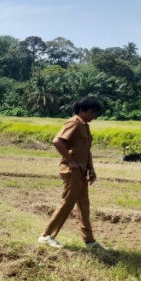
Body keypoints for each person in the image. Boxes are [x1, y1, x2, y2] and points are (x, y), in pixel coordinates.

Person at [39, 97, 106, 250]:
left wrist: (91, 168)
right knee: (67, 203)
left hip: (82, 171)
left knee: (84, 205)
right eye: (93, 112)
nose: (94, 115)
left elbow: (86, 150)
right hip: (72, 171)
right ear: (83, 110)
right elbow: (57, 141)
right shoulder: (74, 122)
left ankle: (89, 241)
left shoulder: (85, 126)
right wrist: (71, 161)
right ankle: (46, 235)